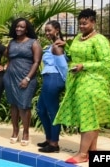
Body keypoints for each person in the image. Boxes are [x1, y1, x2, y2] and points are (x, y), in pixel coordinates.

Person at [53, 8, 110, 164]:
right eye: (80, 23)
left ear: (93, 22)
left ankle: (82, 154)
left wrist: (84, 66)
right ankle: (92, 152)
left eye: (85, 23)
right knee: (89, 118)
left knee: (88, 117)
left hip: (94, 83)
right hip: (78, 82)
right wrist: (65, 46)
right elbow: (76, 55)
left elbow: (106, 62)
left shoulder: (99, 39)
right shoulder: (78, 38)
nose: (81, 26)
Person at [3, 18, 42, 146]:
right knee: (13, 105)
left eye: (22, 27)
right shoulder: (12, 43)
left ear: (27, 29)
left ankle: (25, 133)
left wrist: (27, 78)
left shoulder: (33, 43)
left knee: (24, 106)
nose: (18, 29)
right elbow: (8, 57)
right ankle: (15, 131)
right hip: (10, 77)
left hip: (26, 78)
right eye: (17, 26)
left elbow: (36, 62)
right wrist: (5, 67)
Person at [36, 20, 68, 153]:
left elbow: (63, 67)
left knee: (53, 112)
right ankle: (49, 139)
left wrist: (66, 83)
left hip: (53, 79)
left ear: (57, 30)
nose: (47, 33)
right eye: (46, 31)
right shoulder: (53, 45)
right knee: (40, 109)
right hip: (49, 79)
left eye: (49, 30)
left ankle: (54, 144)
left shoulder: (56, 47)